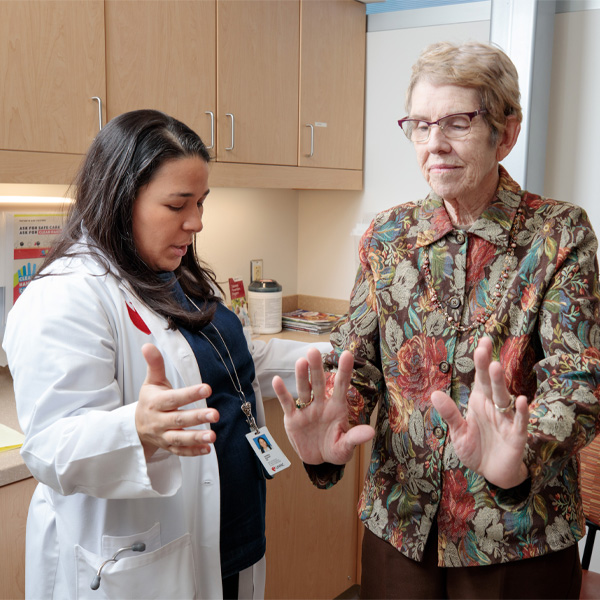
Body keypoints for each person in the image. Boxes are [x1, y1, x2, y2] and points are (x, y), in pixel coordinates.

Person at [273, 41, 600, 599]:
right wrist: (330, 428)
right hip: (401, 525)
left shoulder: (558, 234)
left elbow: (578, 379)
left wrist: (519, 456)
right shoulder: (387, 236)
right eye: (420, 125)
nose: (434, 144)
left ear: (507, 131)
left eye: (456, 122)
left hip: (516, 536)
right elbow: (359, 364)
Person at [3, 109, 329, 600]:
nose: (196, 222)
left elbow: (237, 359)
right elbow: (52, 449)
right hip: (146, 559)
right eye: (178, 204)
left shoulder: (168, 274)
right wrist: (135, 427)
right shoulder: (65, 296)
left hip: (232, 538)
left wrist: (338, 350)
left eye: (200, 202)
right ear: (120, 199)